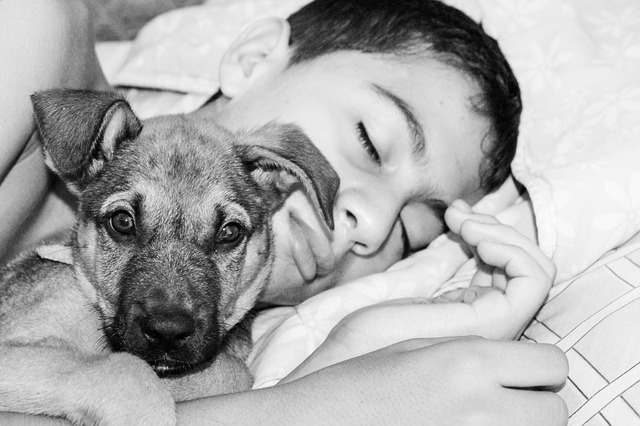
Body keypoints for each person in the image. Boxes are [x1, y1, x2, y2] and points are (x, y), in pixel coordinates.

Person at [0, 0, 568, 424]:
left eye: (410, 231)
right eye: (370, 141)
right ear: (253, 60)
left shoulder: (228, 367)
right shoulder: (29, 34)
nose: (368, 224)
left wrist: (338, 368)